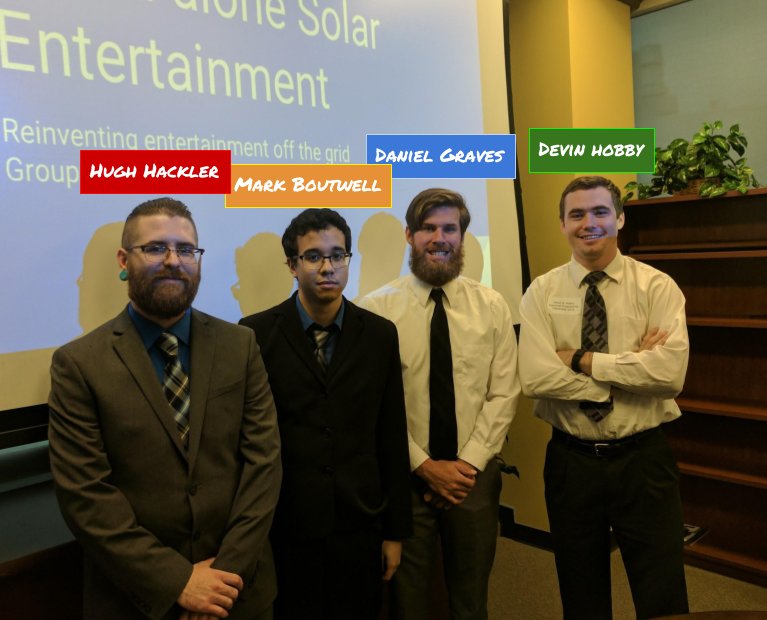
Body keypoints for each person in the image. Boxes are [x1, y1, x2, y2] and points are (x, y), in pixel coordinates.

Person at [48, 198, 282, 620]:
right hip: (136, 601)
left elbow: (264, 464)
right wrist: (179, 583)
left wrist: (222, 578)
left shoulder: (240, 345)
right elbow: (86, 496)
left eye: (186, 249)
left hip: (238, 595)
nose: (173, 260)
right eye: (155, 248)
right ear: (124, 260)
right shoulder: (78, 364)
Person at [518, 176, 690, 620]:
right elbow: (535, 378)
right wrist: (628, 371)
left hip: (643, 461)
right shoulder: (541, 292)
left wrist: (580, 359)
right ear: (562, 224)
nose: (588, 223)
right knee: (581, 593)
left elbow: (669, 376)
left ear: (620, 218)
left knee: (663, 591)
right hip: (570, 462)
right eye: (576, 214)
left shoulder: (657, 287)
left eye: (600, 212)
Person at [239, 208, 412, 620]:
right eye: (313, 256)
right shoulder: (255, 334)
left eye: (338, 255)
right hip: (287, 525)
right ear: (292, 265)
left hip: (360, 523)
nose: (328, 267)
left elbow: (391, 434)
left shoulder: (379, 334)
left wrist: (396, 531)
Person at [359, 189, 520, 620]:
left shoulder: (492, 307)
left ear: (463, 237)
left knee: (471, 600)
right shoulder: (374, 311)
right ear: (409, 236)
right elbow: (374, 406)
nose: (439, 238)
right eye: (427, 228)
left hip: (473, 479)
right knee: (408, 602)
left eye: (450, 228)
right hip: (405, 479)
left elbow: (504, 392)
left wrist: (465, 466)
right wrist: (425, 467)